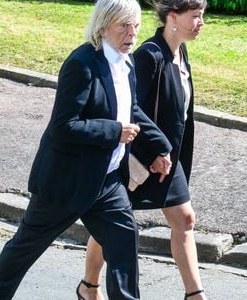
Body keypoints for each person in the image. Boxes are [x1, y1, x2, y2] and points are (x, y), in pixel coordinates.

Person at [0, 0, 173, 299]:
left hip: (107, 182)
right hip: (66, 183)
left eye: (135, 25)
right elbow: (64, 126)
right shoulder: (81, 64)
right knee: (22, 251)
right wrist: (114, 132)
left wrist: (158, 148)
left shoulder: (127, 61)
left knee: (124, 240)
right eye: (124, 25)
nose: (132, 33)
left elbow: (130, 109)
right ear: (103, 25)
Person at [80, 1, 208, 300]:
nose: (201, 22)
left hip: (167, 157)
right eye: (196, 16)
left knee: (184, 220)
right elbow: (128, 109)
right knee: (111, 224)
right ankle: (89, 286)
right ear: (173, 17)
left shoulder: (179, 52)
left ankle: (195, 295)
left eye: (202, 16)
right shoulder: (149, 55)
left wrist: (167, 153)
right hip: (140, 157)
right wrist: (152, 152)